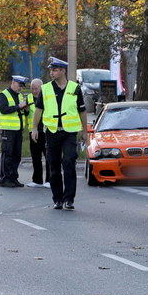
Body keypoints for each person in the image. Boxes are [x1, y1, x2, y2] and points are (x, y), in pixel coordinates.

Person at [31, 57, 88, 211]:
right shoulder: (46, 89)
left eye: (54, 70)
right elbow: (38, 110)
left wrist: (85, 130)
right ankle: (57, 198)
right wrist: (34, 128)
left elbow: (82, 111)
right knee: (53, 166)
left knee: (69, 163)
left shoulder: (75, 88)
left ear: (63, 71)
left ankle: (69, 199)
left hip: (69, 133)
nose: (51, 72)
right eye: (51, 70)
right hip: (52, 132)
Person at [0, 75, 30, 188]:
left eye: (22, 86)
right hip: (8, 130)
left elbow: (20, 112)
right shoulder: (3, 94)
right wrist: (18, 106)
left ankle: (13, 178)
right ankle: (4, 179)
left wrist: (25, 110)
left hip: (18, 129)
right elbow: (4, 109)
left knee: (17, 155)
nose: (20, 88)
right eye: (19, 85)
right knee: (7, 155)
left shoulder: (19, 95)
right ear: (13, 82)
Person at [26, 78, 50, 188]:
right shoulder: (29, 98)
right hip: (33, 132)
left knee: (48, 156)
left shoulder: (47, 98)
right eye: (32, 89)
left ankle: (49, 180)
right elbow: (26, 114)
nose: (34, 91)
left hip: (46, 131)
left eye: (36, 89)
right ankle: (37, 180)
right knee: (35, 157)